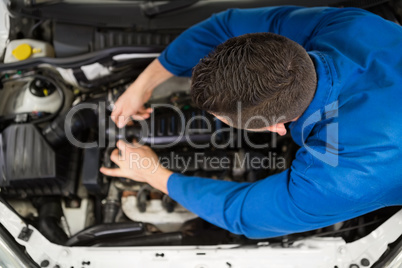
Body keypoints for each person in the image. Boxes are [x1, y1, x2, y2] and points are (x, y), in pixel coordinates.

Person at [100, 6, 402, 238]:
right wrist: (143, 84)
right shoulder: (349, 26)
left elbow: (244, 214)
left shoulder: (344, 175)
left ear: (275, 128)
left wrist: (154, 175)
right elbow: (223, 25)